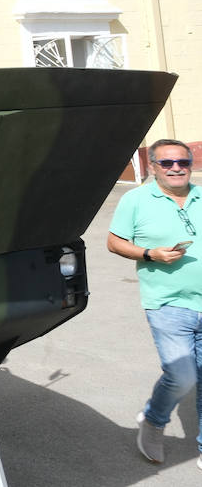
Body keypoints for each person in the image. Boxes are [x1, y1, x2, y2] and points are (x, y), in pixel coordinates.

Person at [108, 138, 202, 467]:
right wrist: (150, 254)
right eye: (167, 163)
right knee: (183, 376)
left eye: (183, 162)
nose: (176, 168)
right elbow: (114, 242)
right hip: (168, 302)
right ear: (154, 167)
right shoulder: (136, 200)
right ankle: (154, 420)